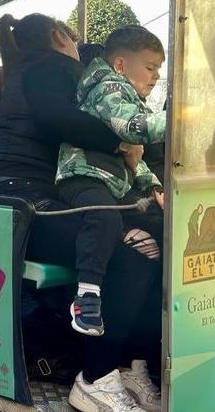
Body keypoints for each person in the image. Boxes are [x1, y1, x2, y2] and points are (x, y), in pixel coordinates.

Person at [0, 14, 160, 412]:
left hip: (34, 198)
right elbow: (61, 121)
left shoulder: (34, 68)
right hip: (19, 202)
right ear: (61, 37)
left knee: (148, 243)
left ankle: (126, 364)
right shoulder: (49, 66)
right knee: (130, 259)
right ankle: (96, 377)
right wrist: (121, 143)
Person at [56, 26, 167, 338]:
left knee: (162, 221)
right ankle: (87, 295)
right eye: (150, 67)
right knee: (104, 216)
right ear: (120, 65)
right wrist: (180, 119)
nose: (156, 76)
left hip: (113, 182)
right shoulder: (108, 88)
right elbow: (132, 127)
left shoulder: (128, 96)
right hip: (83, 176)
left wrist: (153, 187)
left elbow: (136, 156)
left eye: (158, 69)